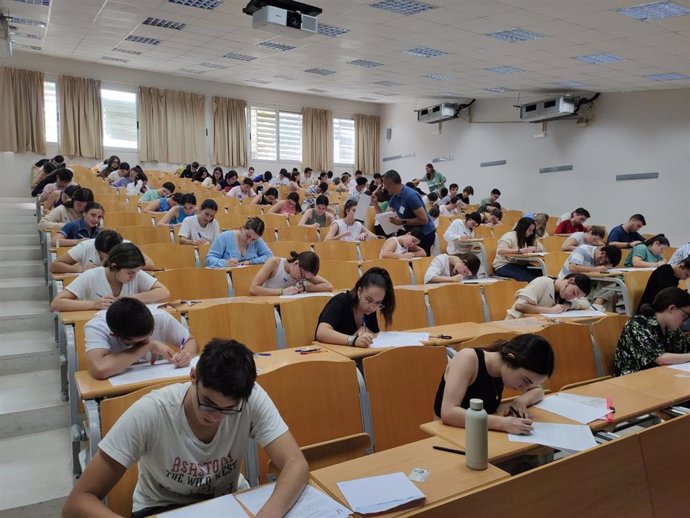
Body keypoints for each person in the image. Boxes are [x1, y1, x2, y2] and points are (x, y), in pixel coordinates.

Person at [62, 338, 308, 518]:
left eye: (228, 409)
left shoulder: (250, 398)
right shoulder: (152, 411)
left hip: (226, 504)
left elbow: (295, 463)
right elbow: (77, 502)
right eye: (208, 404)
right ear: (193, 377)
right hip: (162, 506)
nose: (216, 418)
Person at [434, 334, 554, 434]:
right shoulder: (468, 359)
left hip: (482, 432)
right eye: (525, 381)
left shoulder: (503, 369)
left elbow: (537, 390)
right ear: (510, 359)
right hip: (449, 432)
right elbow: (449, 413)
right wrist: (503, 423)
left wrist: (520, 402)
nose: (524, 389)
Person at [84, 298, 198, 380]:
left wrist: (186, 354)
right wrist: (148, 346)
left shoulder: (159, 316)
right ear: (115, 335)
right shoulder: (97, 327)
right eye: (140, 341)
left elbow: (190, 341)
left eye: (151, 333)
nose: (147, 340)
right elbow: (99, 369)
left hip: (156, 379)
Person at [50, 243, 170, 312]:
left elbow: (164, 292)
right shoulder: (91, 275)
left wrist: (128, 298)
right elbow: (56, 303)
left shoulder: (136, 273)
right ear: (114, 266)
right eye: (130, 273)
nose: (134, 276)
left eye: (136, 272)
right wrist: (94, 305)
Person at [614, 287, 690, 376]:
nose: (685, 322)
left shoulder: (670, 328)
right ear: (671, 308)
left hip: (660, 376)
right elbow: (660, 358)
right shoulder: (637, 324)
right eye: (684, 316)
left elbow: (686, 346)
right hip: (632, 379)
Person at [315, 267, 395, 347]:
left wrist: (366, 331)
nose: (372, 307)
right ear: (359, 292)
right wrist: (354, 340)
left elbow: (375, 334)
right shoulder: (340, 302)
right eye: (368, 300)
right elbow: (321, 332)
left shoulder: (370, 308)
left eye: (378, 303)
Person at [380, 170, 436, 255]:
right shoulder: (395, 196)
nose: (384, 187)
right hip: (412, 233)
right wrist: (375, 203)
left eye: (384, 184)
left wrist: (403, 221)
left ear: (390, 183)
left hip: (424, 234)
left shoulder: (410, 196)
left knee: (419, 261)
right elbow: (386, 215)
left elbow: (424, 220)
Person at [51, 230, 155, 273]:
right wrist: (80, 269)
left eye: (109, 257)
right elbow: (55, 265)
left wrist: (123, 266)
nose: (105, 261)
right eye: (101, 256)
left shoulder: (126, 246)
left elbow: (150, 265)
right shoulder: (86, 246)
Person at [506, 274, 592, 319]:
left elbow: (585, 303)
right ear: (570, 281)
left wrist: (568, 305)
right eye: (574, 292)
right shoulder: (543, 282)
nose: (572, 297)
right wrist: (550, 310)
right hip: (516, 324)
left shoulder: (564, 295)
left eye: (576, 297)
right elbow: (519, 306)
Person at [249, 251, 332, 296]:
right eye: (302, 275)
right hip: (268, 305)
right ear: (296, 264)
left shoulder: (304, 273)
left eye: (305, 277)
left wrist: (304, 288)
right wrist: (283, 291)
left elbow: (328, 286)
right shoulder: (274, 263)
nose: (302, 278)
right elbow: (253, 289)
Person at [205, 217, 273, 267]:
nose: (249, 241)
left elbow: (269, 256)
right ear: (242, 229)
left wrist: (250, 262)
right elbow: (209, 259)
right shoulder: (224, 237)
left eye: (253, 239)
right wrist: (225, 263)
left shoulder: (258, 240)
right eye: (247, 236)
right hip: (226, 277)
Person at [492, 217, 544, 282]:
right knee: (530, 279)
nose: (531, 233)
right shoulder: (509, 235)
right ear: (523, 228)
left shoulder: (528, 237)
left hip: (519, 265)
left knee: (542, 273)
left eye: (533, 230)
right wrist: (520, 250)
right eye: (530, 230)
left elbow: (541, 248)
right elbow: (500, 250)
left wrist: (536, 249)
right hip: (503, 265)